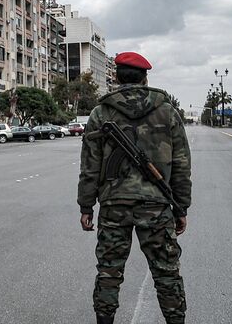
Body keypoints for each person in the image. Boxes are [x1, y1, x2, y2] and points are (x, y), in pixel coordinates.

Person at [78, 52, 192, 324]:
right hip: (156, 206)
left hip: (114, 206)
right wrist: (181, 207)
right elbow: (181, 164)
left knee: (109, 272)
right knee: (166, 272)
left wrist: (86, 206)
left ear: (116, 77)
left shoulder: (101, 112)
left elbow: (90, 165)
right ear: (145, 77)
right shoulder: (167, 111)